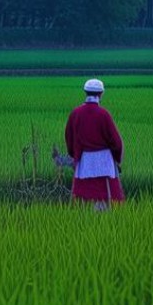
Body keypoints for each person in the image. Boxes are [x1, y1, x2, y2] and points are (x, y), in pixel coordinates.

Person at [63, 78, 125, 210]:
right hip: (104, 162)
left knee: (84, 195)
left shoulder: (76, 113)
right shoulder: (104, 114)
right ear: (101, 94)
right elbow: (116, 142)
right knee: (105, 197)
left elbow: (69, 137)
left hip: (84, 161)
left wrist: (74, 155)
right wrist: (118, 158)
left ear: (85, 92)